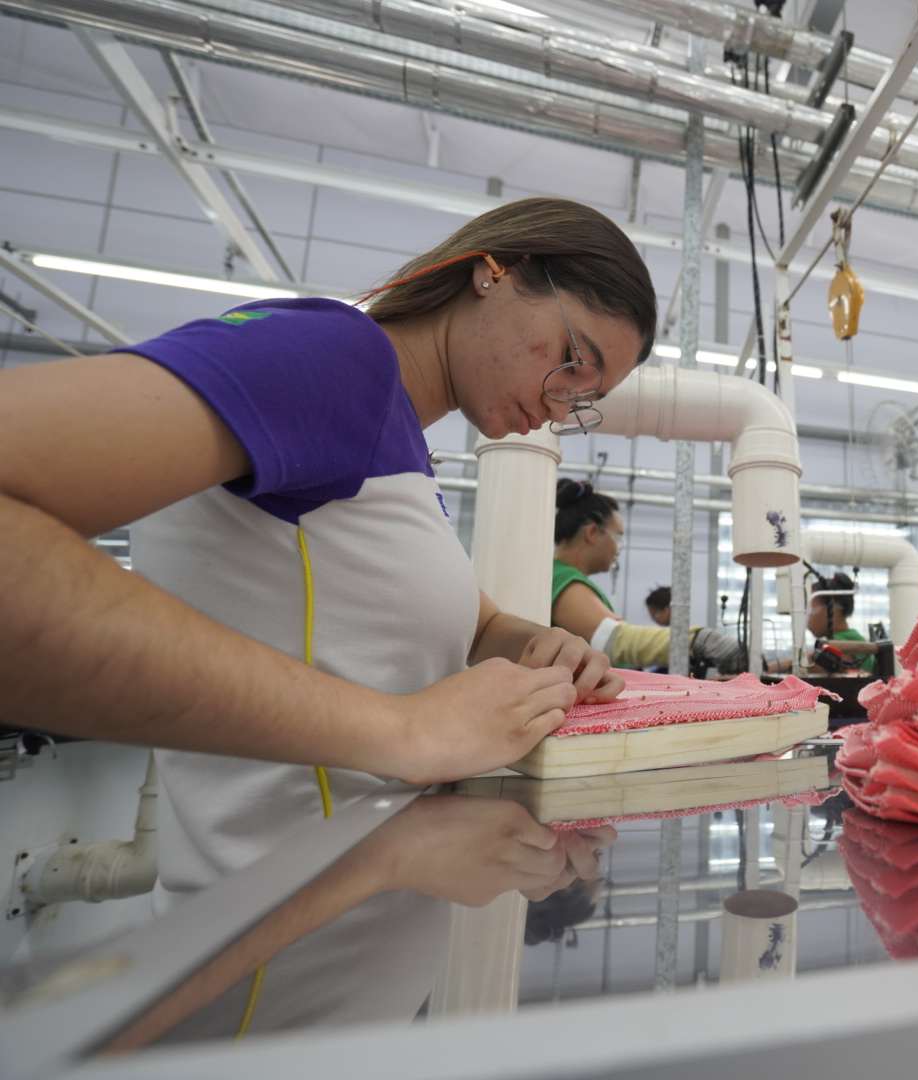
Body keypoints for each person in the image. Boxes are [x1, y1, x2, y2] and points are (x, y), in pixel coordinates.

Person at [0, 196, 656, 1025]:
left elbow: (469, 622)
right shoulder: (334, 358)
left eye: (587, 397)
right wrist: (403, 731)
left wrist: (535, 642)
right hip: (268, 986)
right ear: (498, 271)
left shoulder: (397, 438)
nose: (562, 405)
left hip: (340, 968)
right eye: (571, 360)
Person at [549, 480, 744, 673]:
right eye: (618, 537)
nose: (618, 548)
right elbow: (614, 640)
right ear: (592, 532)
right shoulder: (560, 577)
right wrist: (698, 640)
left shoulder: (565, 579)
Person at [807, 571, 877, 674]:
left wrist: (787, 664)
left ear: (833, 608)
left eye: (812, 608)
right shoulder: (853, 637)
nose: (808, 616)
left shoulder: (842, 645)